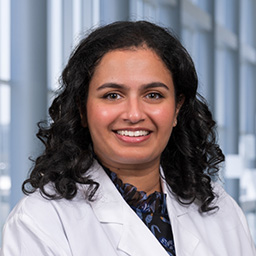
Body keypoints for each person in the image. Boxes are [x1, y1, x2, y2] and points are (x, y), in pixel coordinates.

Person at [1, 21, 255, 256]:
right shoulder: (40, 221)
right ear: (82, 109)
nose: (134, 115)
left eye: (153, 95)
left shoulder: (220, 209)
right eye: (112, 95)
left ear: (177, 109)